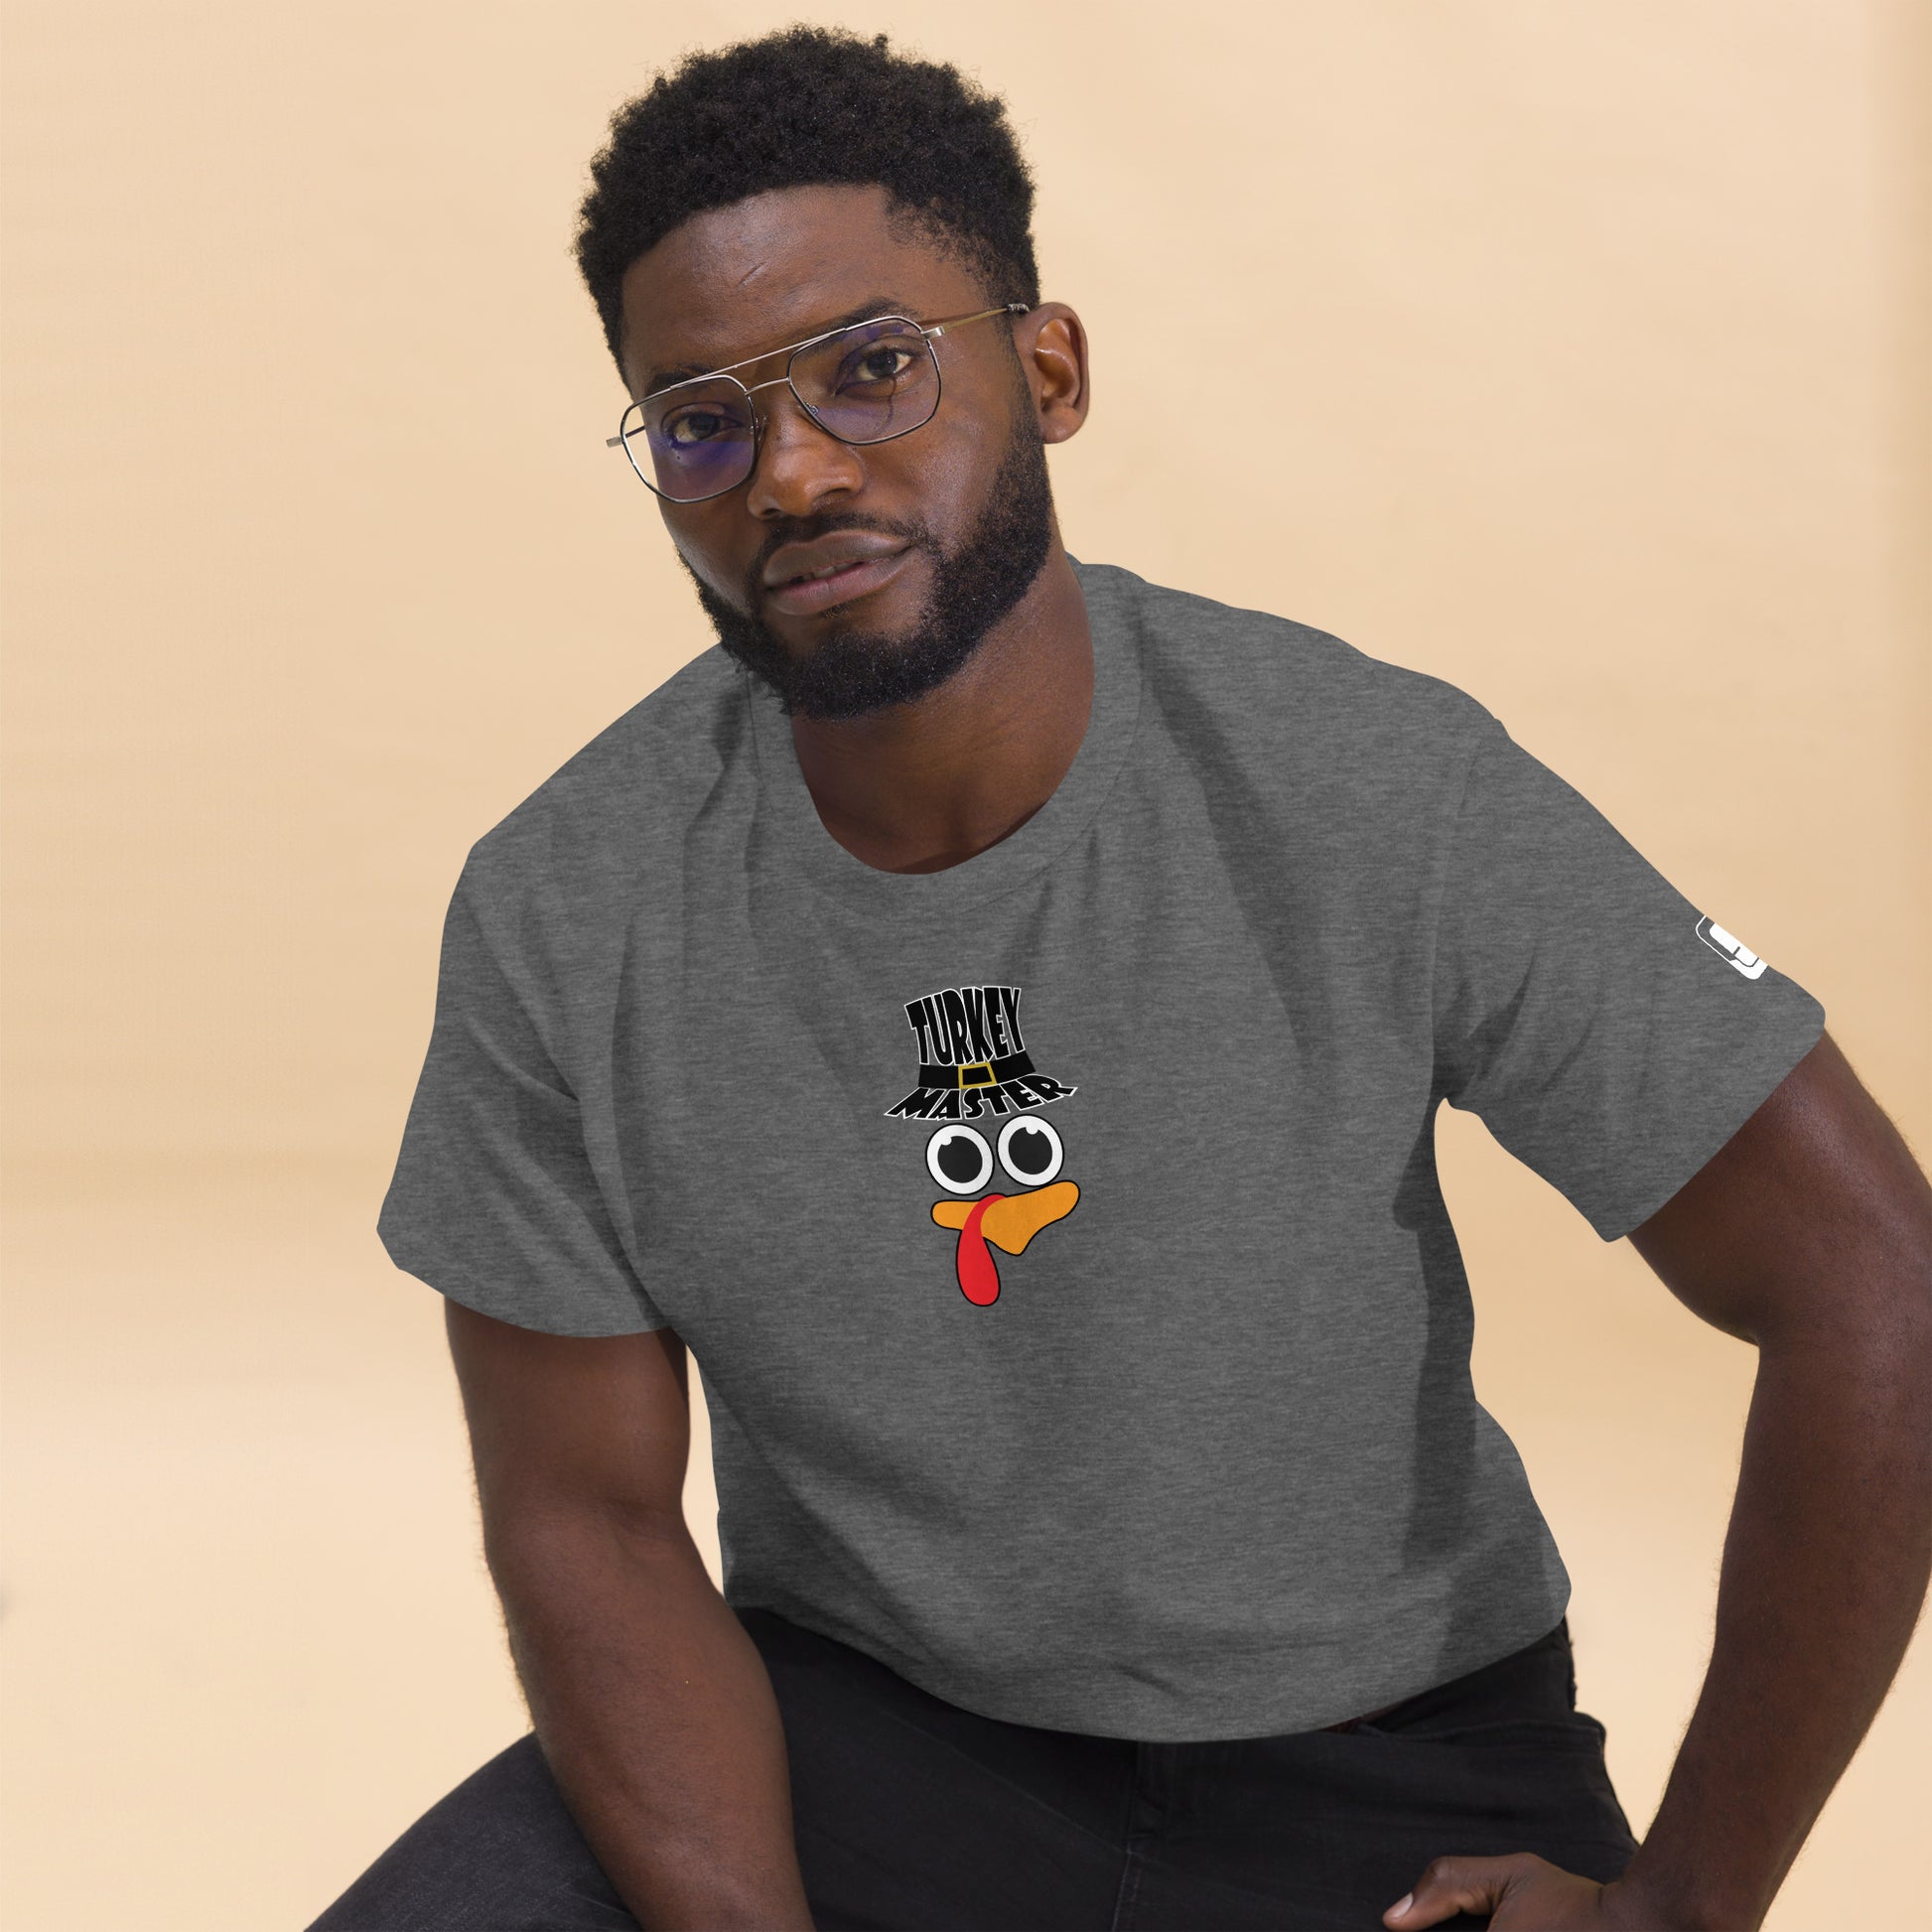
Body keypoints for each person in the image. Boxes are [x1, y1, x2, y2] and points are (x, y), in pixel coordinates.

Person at [310, 26, 1932, 1932]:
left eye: (872, 368)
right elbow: (582, 1511)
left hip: (1383, 1774)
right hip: (863, 1741)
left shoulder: (1363, 781)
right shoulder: (563, 906)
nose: (794, 470)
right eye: (700, 422)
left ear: (1048, 369)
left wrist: (1684, 1905)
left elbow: (1872, 1282)